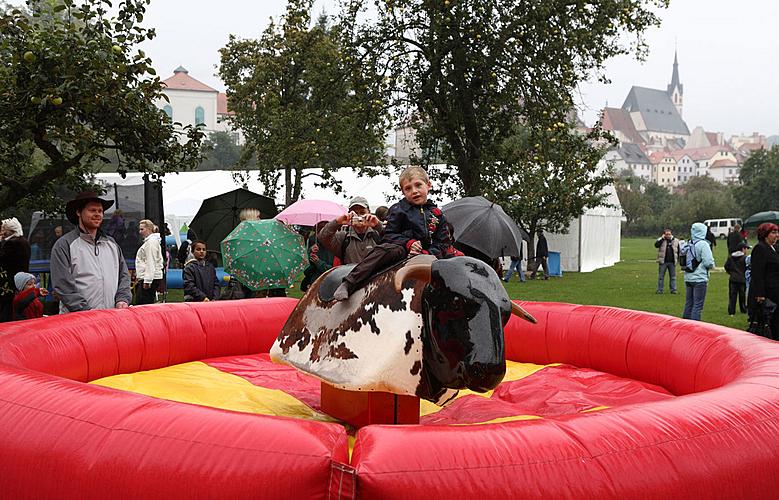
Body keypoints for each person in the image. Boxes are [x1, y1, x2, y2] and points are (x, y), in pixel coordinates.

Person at [333, 166, 452, 301]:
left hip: (429, 255)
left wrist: (427, 253)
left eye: (418, 185)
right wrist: (409, 243)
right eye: (408, 188)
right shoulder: (398, 209)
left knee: (451, 263)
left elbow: (443, 242)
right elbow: (389, 235)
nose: (414, 191)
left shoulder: (437, 214)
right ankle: (349, 282)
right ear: (403, 191)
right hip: (401, 251)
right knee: (386, 249)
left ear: (428, 185)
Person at [51, 192, 132, 313]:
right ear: (79, 212)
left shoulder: (112, 244)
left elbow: (124, 276)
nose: (97, 214)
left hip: (111, 319)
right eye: (92, 210)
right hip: (78, 322)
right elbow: (63, 286)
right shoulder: (64, 245)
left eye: (100, 211)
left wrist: (122, 299)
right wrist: (87, 312)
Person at [319, 196, 383, 266]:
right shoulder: (343, 238)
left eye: (362, 212)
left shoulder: (377, 234)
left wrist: (378, 225)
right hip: (352, 276)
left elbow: (393, 241)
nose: (359, 216)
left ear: (369, 213)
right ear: (349, 214)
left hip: (376, 276)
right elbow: (322, 237)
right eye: (355, 213)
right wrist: (337, 222)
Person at [748, 223, 779, 339]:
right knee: (770, 321)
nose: (777, 235)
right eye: (773, 233)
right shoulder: (760, 248)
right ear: (765, 234)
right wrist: (760, 294)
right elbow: (757, 273)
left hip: (775, 290)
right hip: (768, 292)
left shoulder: (773, 248)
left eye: (777, 232)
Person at [682, 222, 716, 321]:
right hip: (699, 278)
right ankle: (694, 327)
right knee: (697, 305)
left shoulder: (689, 243)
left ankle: (685, 325)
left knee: (689, 303)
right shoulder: (703, 244)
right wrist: (712, 266)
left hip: (688, 277)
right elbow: (708, 262)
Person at [0, 217, 32, 322]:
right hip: (21, 279)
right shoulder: (24, 241)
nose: (3, 232)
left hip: (10, 282)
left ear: (12, 231)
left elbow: (2, 259)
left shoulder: (11, 243)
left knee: (8, 311)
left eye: (5, 230)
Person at [134, 219, 164, 305]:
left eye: (142, 229)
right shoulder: (151, 242)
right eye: (139, 229)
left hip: (150, 278)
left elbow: (151, 262)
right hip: (149, 277)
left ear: (149, 229)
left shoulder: (151, 243)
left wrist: (147, 280)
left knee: (143, 305)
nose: (140, 232)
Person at [300, 221, 335, 292]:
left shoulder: (336, 243)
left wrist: (318, 262)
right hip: (314, 285)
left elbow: (333, 270)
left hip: (330, 284)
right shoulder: (312, 241)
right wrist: (310, 253)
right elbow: (306, 271)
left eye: (325, 228)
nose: (321, 232)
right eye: (319, 228)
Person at [724, 242, 750, 316]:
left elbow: (726, 266)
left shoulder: (731, 257)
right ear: (742, 249)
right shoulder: (745, 258)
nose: (746, 250)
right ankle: (743, 309)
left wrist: (731, 273)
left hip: (733, 279)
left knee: (732, 296)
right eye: (746, 249)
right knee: (742, 296)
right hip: (742, 279)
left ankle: (731, 311)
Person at [654, 228, 680, 294]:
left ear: (671, 234)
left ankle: (673, 290)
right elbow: (656, 245)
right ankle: (660, 290)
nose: (668, 235)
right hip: (663, 262)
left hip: (672, 262)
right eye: (666, 234)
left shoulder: (676, 240)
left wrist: (678, 260)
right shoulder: (661, 240)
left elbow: (678, 251)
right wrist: (662, 239)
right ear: (664, 234)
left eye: (669, 234)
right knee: (661, 277)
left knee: (673, 277)